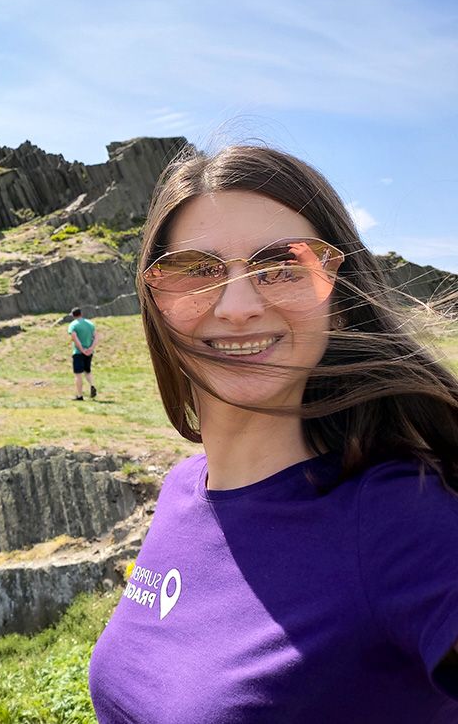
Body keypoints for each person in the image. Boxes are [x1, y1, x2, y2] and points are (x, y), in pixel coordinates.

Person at [89, 145, 458, 722]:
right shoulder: (182, 491)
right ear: (156, 302)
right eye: (196, 269)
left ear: (339, 300)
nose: (238, 306)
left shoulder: (401, 518)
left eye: (284, 266)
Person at [68, 307, 98, 400]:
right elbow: (96, 337)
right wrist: (91, 348)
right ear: (81, 314)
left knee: (78, 374)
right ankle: (92, 385)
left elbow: (74, 338)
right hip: (89, 352)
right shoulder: (90, 324)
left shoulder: (73, 325)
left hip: (78, 352)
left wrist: (82, 349)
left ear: (73, 315)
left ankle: (80, 395)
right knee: (87, 371)